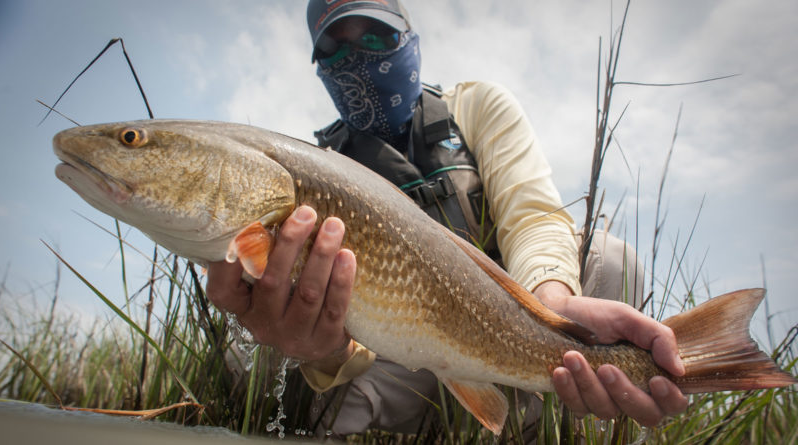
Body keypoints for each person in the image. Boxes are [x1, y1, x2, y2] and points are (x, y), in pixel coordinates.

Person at [207, 0, 688, 436]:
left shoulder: (477, 106)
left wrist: (552, 305)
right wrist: (322, 351)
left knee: (610, 260)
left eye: (376, 37)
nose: (357, 58)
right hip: (402, 361)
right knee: (250, 362)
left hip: (523, 329)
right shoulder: (317, 172)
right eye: (334, 48)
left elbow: (533, 215)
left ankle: (569, 414)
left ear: (409, 39)